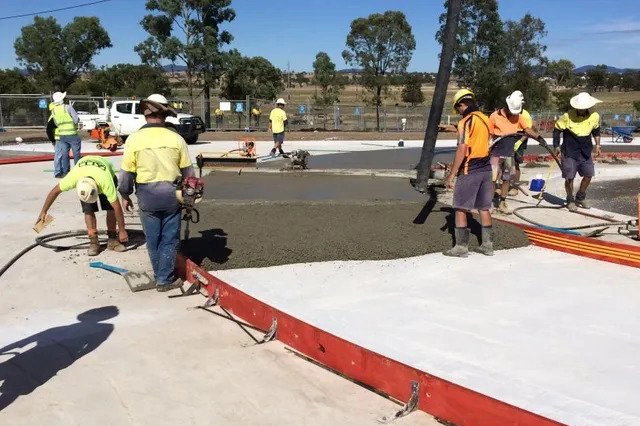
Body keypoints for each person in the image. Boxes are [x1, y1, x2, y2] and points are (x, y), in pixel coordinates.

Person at [118, 94, 194, 292]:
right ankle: (164, 279)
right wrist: (190, 198)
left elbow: (126, 175)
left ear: (145, 116)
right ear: (165, 116)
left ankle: (160, 274)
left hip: (146, 195)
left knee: (153, 238)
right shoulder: (176, 139)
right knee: (169, 238)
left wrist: (125, 195)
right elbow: (189, 173)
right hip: (171, 195)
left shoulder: (134, 140)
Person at [36, 155, 128, 256]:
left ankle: (112, 239)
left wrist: (122, 230)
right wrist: (44, 211)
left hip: (103, 170)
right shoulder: (73, 178)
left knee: (110, 208)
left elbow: (117, 208)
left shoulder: (106, 182)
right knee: (88, 210)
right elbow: (54, 192)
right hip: (84, 173)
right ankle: (93, 242)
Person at [444, 89, 494, 257]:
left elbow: (462, 148)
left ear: (462, 105)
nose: (458, 112)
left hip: (470, 168)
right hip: (486, 169)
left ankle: (461, 247)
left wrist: (452, 174)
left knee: (460, 207)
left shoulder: (466, 121)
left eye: (458, 108)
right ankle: (487, 245)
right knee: (484, 208)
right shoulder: (485, 119)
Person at [488, 90, 546, 214]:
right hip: (496, 152)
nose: (512, 114)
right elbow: (489, 133)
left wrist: (539, 138)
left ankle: (502, 202)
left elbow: (527, 129)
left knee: (506, 178)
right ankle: (490, 202)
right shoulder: (494, 116)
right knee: (492, 178)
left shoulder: (518, 116)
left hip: (509, 153)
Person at [553, 92, 602, 212]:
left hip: (585, 151)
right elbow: (556, 130)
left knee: (589, 174)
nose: (580, 110)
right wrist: (556, 146)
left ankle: (580, 197)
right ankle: (570, 199)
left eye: (583, 108)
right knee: (570, 177)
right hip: (569, 151)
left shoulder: (594, 116)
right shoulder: (567, 116)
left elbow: (596, 131)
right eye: (578, 108)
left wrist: (598, 145)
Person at [49, 91, 81, 178]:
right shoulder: (68, 107)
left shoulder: (54, 111)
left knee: (64, 155)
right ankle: (78, 172)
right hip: (72, 135)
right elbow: (76, 119)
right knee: (76, 154)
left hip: (62, 136)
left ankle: (66, 173)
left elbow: (55, 122)